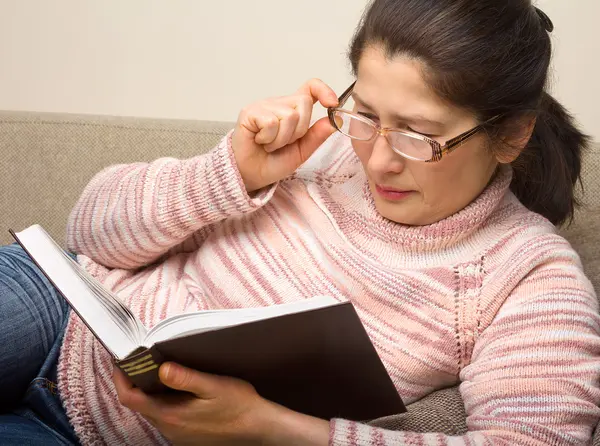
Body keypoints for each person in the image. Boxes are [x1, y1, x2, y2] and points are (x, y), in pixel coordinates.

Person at [1, 0, 599, 444]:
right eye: (365, 113)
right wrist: (230, 171)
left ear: (511, 134)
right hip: (62, 311)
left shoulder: (530, 276)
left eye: (420, 135)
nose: (378, 158)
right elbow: (87, 232)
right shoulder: (317, 145)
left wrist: (271, 429)